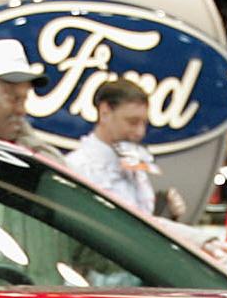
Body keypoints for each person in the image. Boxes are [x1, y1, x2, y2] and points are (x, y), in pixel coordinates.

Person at [62, 77, 158, 212]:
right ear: (105, 113)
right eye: (132, 122)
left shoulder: (136, 167)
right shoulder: (76, 168)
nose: (140, 132)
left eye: (144, 123)